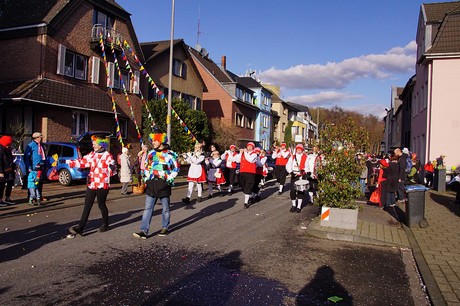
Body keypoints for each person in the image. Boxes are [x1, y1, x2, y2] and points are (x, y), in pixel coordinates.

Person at [133, 131, 179, 239]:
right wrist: (147, 179)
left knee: (165, 208)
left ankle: (165, 227)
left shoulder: (170, 154)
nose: (152, 142)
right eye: (152, 140)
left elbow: (176, 169)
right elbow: (146, 167)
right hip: (151, 185)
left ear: (161, 141)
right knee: (148, 208)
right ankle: (144, 231)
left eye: (155, 140)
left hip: (163, 185)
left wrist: (167, 180)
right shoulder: (151, 154)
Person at [67, 136, 116, 236]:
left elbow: (112, 168)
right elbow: (82, 162)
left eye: (95, 143)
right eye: (93, 143)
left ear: (101, 145)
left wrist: (112, 167)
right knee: (87, 205)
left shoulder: (107, 156)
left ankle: (105, 224)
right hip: (92, 183)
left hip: (102, 184)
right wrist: (69, 162)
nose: (93, 144)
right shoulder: (92, 154)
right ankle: (80, 228)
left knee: (101, 205)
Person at [24, 132, 47, 203]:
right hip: (33, 167)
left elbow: (43, 156)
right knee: (32, 182)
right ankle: (31, 196)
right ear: (36, 138)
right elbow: (26, 157)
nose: (41, 138)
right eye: (40, 137)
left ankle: (39, 195)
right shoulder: (31, 145)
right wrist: (29, 167)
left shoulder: (41, 145)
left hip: (41, 166)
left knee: (40, 182)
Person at [286, 144, 308, 213]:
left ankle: (299, 206)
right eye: (298, 149)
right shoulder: (292, 157)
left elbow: (307, 166)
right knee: (292, 191)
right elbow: (288, 165)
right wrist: (290, 172)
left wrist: (305, 171)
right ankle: (293, 205)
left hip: (301, 175)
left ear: (302, 150)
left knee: (300, 191)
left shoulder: (305, 157)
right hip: (294, 175)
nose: (299, 151)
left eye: (300, 150)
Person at [239, 142, 258, 208]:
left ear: (253, 147)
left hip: (250, 173)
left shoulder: (254, 154)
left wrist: (245, 153)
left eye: (251, 146)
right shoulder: (244, 154)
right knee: (242, 186)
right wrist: (240, 153)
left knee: (248, 186)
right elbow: (237, 160)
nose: (249, 148)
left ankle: (246, 202)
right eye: (248, 146)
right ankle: (250, 196)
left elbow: (250, 160)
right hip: (242, 172)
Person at [0, 136, 16, 206]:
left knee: (10, 183)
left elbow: (10, 159)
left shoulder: (9, 149)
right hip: (3, 170)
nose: (8, 146)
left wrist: (13, 167)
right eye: (7, 144)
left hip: (9, 169)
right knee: (1, 185)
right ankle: (0, 199)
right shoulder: (1, 150)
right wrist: (0, 172)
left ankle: (8, 198)